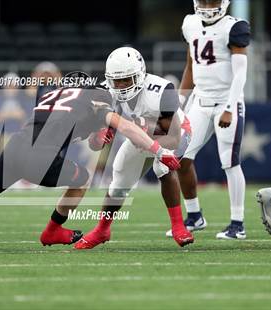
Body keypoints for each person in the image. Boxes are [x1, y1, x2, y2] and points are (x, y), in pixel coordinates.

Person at [0, 85, 181, 254]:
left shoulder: (55, 96)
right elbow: (128, 127)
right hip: (39, 156)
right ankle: (52, 231)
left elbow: (87, 138)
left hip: (16, 147)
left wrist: (97, 137)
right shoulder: (95, 102)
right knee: (82, 178)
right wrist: (159, 150)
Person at [74, 47, 194, 250]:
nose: (120, 86)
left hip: (175, 133)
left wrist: (149, 139)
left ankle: (178, 226)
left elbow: (172, 138)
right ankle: (103, 229)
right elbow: (94, 145)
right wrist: (99, 136)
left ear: (140, 75)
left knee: (162, 168)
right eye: (116, 81)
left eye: (126, 80)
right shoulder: (105, 92)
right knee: (119, 177)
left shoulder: (162, 90)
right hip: (140, 136)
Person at [166, 0, 251, 240]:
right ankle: (194, 216)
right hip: (200, 101)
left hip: (226, 100)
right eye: (203, 0)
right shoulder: (190, 23)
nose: (207, 5)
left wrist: (229, 108)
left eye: (211, 1)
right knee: (180, 158)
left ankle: (238, 223)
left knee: (230, 162)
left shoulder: (234, 27)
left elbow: (241, 73)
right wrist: (180, 103)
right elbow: (190, 66)